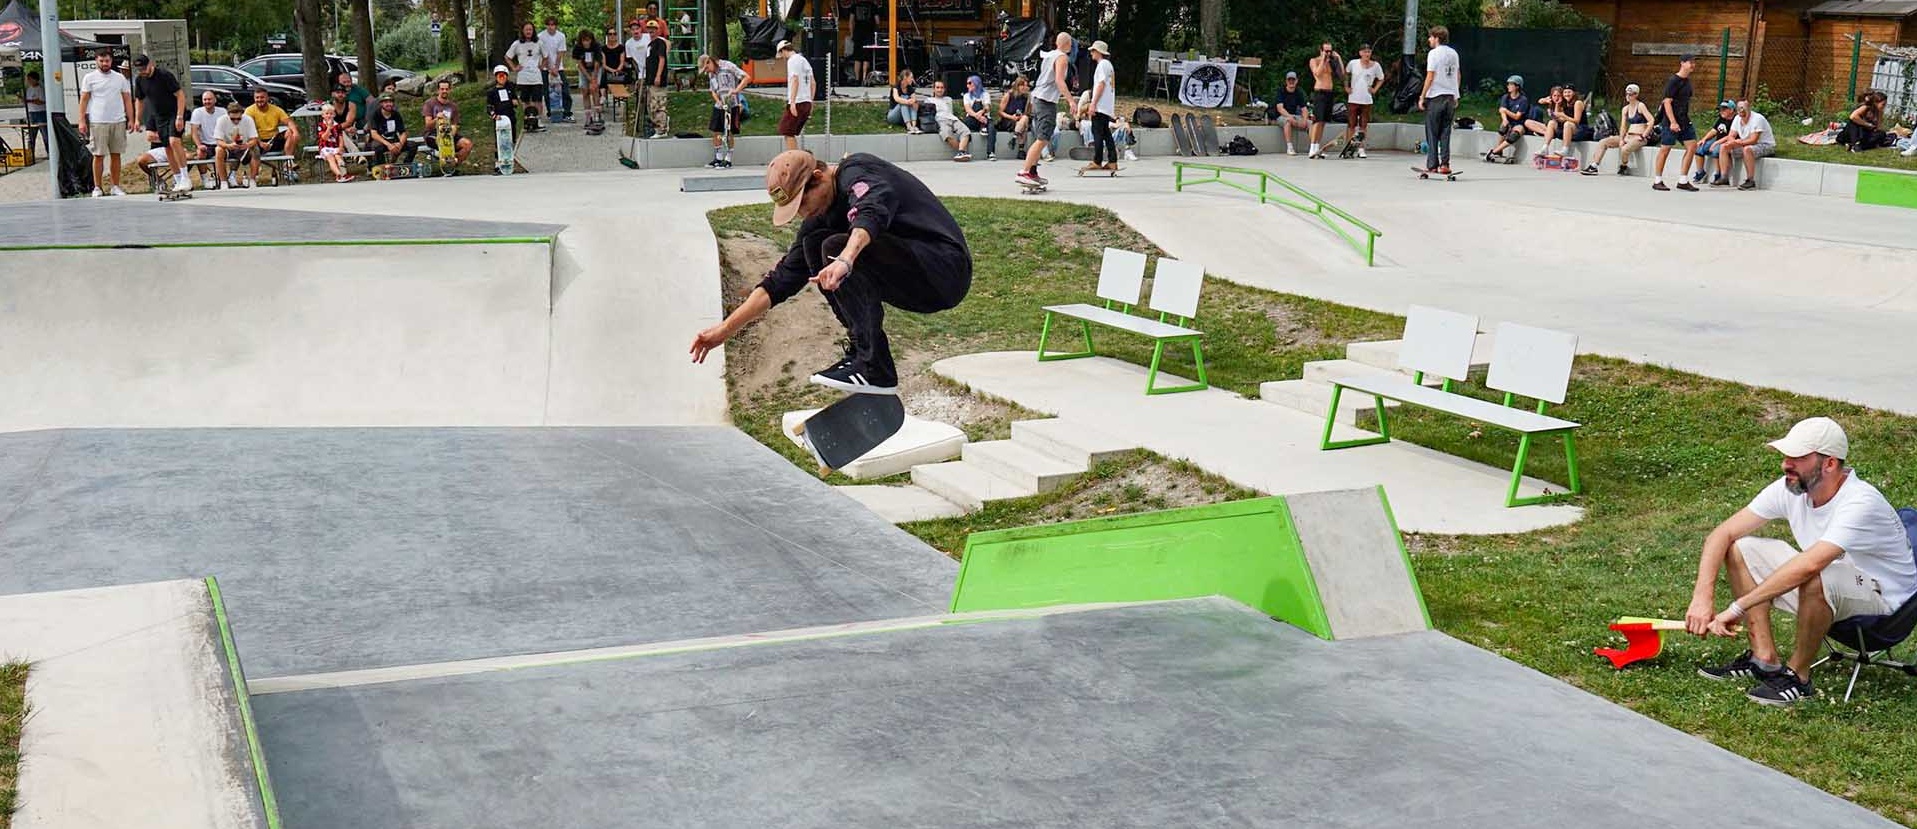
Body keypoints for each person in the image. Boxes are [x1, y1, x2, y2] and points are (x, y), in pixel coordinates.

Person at [689, 150, 973, 395]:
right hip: (917, 283)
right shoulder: (819, 217)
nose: (802, 214)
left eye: (801, 204)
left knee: (833, 246)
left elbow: (871, 209)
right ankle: (864, 358)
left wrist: (846, 259)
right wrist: (724, 331)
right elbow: (780, 281)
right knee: (814, 244)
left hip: (945, 268)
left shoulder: (857, 172)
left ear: (819, 176)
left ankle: (874, 367)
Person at [1687, 417, 1916, 707]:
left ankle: (1799, 678)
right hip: (1837, 587)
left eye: (1798, 457)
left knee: (1818, 572)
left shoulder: (1860, 502)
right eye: (1786, 456)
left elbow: (1810, 565)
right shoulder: (1791, 488)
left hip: (1885, 609)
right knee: (1740, 549)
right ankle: (1764, 658)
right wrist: (1701, 598)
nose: (1786, 464)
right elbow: (1722, 533)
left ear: (1830, 463)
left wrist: (1737, 608)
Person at [1016, 32, 1072, 188]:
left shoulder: (1049, 55)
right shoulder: (1061, 57)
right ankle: (1024, 172)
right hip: (1046, 101)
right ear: (1068, 44)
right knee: (1043, 138)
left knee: (1041, 137)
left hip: (1038, 98)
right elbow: (1060, 81)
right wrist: (1071, 101)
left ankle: (1032, 172)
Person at [77, 50, 133, 197]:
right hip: (98, 121)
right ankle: (97, 187)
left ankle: (115, 186)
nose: (104, 63)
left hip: (118, 120)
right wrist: (82, 120)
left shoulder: (119, 78)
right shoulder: (90, 78)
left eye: (107, 61)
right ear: (96, 61)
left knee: (116, 154)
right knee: (98, 155)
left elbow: (127, 98)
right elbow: (84, 99)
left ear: (111, 61)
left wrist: (131, 119)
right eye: (101, 61)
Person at [132, 55, 189, 194]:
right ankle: (177, 178)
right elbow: (139, 100)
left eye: (144, 68)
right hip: (159, 116)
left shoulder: (164, 75)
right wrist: (137, 120)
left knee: (174, 141)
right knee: (167, 147)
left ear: (151, 64)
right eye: (139, 69)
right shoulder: (140, 80)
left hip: (174, 112)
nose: (143, 71)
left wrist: (180, 117)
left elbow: (180, 95)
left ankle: (185, 177)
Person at [1583, 83, 1653, 175]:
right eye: (1627, 94)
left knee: (1624, 149)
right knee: (1603, 142)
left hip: (1639, 137)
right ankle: (1594, 166)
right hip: (1628, 136)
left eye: (1631, 94)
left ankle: (1624, 166)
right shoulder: (1625, 109)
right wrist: (1621, 139)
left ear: (1636, 94)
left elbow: (1651, 120)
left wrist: (1644, 135)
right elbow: (1623, 126)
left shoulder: (1640, 106)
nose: (1628, 96)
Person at [1651, 53, 1698, 192]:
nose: (1693, 65)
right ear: (1682, 63)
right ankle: (1657, 180)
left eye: (1694, 62)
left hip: (1684, 120)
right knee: (1665, 149)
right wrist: (1672, 122)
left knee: (1692, 146)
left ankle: (1683, 180)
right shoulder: (1673, 80)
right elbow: (1667, 102)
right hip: (1671, 121)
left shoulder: (1688, 82)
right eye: (1690, 62)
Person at [1417, 26, 1460, 174]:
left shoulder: (1433, 54)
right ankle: (1445, 164)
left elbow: (1430, 76)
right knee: (1445, 131)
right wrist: (1456, 93)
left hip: (1435, 96)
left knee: (1432, 131)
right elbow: (1457, 75)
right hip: (1450, 96)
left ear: (1436, 38)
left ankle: (1432, 164)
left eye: (1430, 37)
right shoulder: (1454, 53)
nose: (1429, 40)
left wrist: (1422, 96)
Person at [698, 54, 748, 168]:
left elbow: (746, 77)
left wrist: (736, 90)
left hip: (732, 103)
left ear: (710, 61)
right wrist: (718, 101)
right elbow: (713, 91)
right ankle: (718, 157)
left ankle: (728, 158)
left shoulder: (728, 66)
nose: (707, 71)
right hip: (720, 105)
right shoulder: (711, 74)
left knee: (729, 131)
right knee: (716, 130)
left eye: (706, 68)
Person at [1714, 100, 1774, 190]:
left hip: (1765, 145)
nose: (1741, 111)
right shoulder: (1737, 118)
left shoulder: (1757, 119)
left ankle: (1750, 180)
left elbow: (1753, 140)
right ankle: (1724, 177)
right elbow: (1731, 135)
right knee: (1724, 147)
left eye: (1743, 108)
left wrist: (1738, 142)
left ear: (1749, 108)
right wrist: (1732, 142)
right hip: (1745, 143)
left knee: (1747, 149)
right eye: (1739, 109)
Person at [421, 79, 474, 171]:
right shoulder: (430, 103)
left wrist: (451, 134)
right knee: (442, 141)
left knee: (467, 144)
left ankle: (453, 164)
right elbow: (428, 125)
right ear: (438, 90)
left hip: (448, 132)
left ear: (450, 90)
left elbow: (455, 125)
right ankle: (447, 161)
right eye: (442, 89)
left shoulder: (453, 106)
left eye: (446, 89)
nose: (444, 91)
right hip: (433, 133)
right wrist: (437, 119)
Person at [1344, 43, 1383, 158]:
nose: (1367, 54)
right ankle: (1349, 146)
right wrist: (1346, 87)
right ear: (1360, 53)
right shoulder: (1353, 63)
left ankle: (1361, 147)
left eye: (1369, 52)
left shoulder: (1375, 66)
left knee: (1363, 125)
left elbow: (1381, 78)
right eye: (1364, 52)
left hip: (1366, 99)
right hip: (1353, 98)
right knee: (1351, 124)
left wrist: (1375, 89)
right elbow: (1346, 74)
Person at [1084, 40, 1118, 171]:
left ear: (1098, 52)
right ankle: (1112, 160)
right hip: (1106, 105)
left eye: (1093, 50)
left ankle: (1097, 160)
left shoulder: (1102, 65)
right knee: (1106, 133)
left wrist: (1093, 103)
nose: (1091, 53)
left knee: (1097, 132)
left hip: (1100, 105)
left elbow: (1101, 84)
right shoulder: (1108, 65)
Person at [244, 86, 299, 168]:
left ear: (267, 98)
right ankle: (254, 174)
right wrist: (260, 142)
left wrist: (295, 132)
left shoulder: (276, 110)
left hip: (273, 139)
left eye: (262, 97)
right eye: (257, 98)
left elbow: (289, 122)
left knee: (290, 132)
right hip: (257, 140)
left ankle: (288, 162)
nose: (259, 100)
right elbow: (248, 130)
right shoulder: (249, 111)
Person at [1306, 42, 1343, 158]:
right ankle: (1312, 147)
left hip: (1329, 93)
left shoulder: (1332, 62)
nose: (1328, 53)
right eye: (1326, 51)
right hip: (1319, 92)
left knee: (1323, 122)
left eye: (1330, 51)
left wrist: (1339, 58)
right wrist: (1323, 60)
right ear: (1321, 51)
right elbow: (1317, 73)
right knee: (1317, 121)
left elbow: (1342, 74)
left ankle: (1317, 147)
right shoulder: (1314, 60)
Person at [211, 101, 259, 189]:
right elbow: (218, 140)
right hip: (228, 146)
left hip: (243, 146)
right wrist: (228, 146)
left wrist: (247, 145)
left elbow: (254, 139)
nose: (236, 121)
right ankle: (224, 182)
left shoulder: (248, 119)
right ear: (228, 114)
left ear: (242, 114)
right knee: (218, 150)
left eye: (238, 119)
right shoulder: (221, 120)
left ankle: (253, 180)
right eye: (233, 119)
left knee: (255, 149)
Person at [509, 22, 547, 132]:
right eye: (526, 30)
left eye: (530, 29)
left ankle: (538, 120)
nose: (528, 32)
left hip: (536, 77)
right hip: (523, 77)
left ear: (533, 31)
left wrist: (542, 66)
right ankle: (527, 119)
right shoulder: (517, 44)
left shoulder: (539, 43)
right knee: (525, 100)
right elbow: (507, 57)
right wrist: (514, 68)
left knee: (538, 100)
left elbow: (546, 56)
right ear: (523, 31)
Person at [778, 39, 814, 151]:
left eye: (781, 53)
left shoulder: (792, 61)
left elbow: (795, 80)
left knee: (787, 131)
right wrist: (811, 101)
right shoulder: (804, 60)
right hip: (806, 101)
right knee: (791, 131)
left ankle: (795, 159)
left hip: (797, 101)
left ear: (784, 50)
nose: (782, 57)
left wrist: (792, 102)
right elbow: (813, 82)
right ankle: (796, 157)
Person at [1485, 76, 1530, 162]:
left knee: (1514, 134)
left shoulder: (1523, 100)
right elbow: (1502, 111)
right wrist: (1505, 120)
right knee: (1503, 127)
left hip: (1520, 123)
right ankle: (1499, 152)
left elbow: (1517, 116)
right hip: (1509, 122)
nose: (1508, 86)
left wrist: (1506, 111)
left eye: (1511, 84)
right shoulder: (1506, 97)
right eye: (1508, 84)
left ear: (1517, 86)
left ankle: (1495, 151)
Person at [1691, 99, 1736, 184]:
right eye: (1721, 109)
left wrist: (1716, 143)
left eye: (1724, 109)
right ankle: (1700, 173)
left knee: (1716, 151)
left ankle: (1718, 174)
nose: (1721, 111)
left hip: (1727, 141)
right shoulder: (1722, 118)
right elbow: (1714, 131)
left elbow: (1730, 136)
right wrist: (1704, 139)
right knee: (1699, 149)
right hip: (1717, 140)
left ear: (1731, 110)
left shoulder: (1735, 120)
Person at [1541, 83, 1591, 159]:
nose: (1567, 94)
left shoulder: (1578, 103)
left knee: (1567, 124)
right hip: (1568, 129)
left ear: (1574, 93)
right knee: (1552, 122)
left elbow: (1576, 121)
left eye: (1569, 92)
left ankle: (1565, 149)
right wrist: (1557, 104)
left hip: (1581, 129)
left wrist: (1564, 116)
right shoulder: (1564, 103)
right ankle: (1545, 147)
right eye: (1565, 92)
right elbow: (1557, 117)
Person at [640, 19, 672, 138]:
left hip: (657, 79)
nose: (651, 31)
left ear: (658, 30)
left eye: (654, 29)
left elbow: (662, 59)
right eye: (649, 29)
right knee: (651, 105)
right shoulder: (650, 44)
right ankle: (659, 124)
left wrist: (658, 75)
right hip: (649, 79)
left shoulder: (660, 43)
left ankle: (661, 129)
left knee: (658, 103)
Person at [926, 80, 971, 161]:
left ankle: (961, 152)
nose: (940, 90)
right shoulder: (929, 100)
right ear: (933, 89)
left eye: (942, 88)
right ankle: (962, 152)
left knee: (966, 131)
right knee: (946, 134)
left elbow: (950, 112)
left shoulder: (948, 99)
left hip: (953, 119)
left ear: (944, 89)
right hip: (941, 120)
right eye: (937, 88)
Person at [366, 94, 415, 168]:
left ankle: (406, 165)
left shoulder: (396, 114)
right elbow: (374, 134)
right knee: (378, 147)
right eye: (386, 102)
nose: (389, 104)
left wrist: (400, 144)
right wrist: (388, 145)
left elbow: (403, 132)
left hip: (393, 140)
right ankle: (382, 168)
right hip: (381, 142)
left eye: (391, 102)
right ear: (381, 103)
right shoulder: (376, 114)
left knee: (413, 145)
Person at [538, 17, 572, 123]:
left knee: (564, 89)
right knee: (547, 91)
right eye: (548, 24)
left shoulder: (561, 36)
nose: (551, 27)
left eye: (553, 25)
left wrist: (556, 68)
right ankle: (550, 112)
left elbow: (560, 52)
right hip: (545, 67)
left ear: (556, 26)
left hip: (558, 68)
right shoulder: (540, 36)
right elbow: (544, 54)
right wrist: (549, 68)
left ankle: (567, 113)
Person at [187, 90, 224, 185]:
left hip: (220, 142)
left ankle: (227, 177)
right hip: (205, 144)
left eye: (209, 99)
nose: (207, 101)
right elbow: (194, 132)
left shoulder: (222, 111)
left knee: (231, 150)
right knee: (200, 153)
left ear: (215, 100)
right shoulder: (197, 112)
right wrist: (199, 145)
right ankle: (205, 179)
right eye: (205, 99)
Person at [1269, 71, 1309, 155]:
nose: (1291, 82)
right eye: (1289, 80)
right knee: (1287, 122)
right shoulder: (1281, 91)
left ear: (1296, 81)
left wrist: (1305, 120)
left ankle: (1313, 147)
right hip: (1281, 116)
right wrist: (1290, 117)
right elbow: (1280, 108)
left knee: (1311, 123)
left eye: (1293, 80)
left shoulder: (1299, 92)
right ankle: (1289, 147)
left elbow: (1304, 108)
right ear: (1286, 81)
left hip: (1294, 115)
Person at [961, 75, 998, 160]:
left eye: (970, 83)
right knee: (963, 124)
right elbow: (968, 109)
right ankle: (964, 151)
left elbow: (987, 107)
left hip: (984, 117)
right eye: (967, 83)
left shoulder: (985, 94)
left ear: (976, 83)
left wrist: (981, 112)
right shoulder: (966, 96)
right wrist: (978, 117)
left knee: (992, 127)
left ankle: (990, 152)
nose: (968, 85)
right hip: (972, 119)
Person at [315, 102, 353, 182]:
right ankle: (338, 175)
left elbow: (340, 137)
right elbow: (324, 138)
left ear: (334, 115)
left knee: (338, 156)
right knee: (330, 158)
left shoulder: (337, 125)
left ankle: (343, 173)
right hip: (325, 146)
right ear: (323, 115)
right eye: (327, 113)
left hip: (334, 146)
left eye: (331, 114)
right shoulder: (321, 125)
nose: (329, 115)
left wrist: (341, 147)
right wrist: (329, 127)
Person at [574, 29, 605, 122]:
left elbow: (597, 63)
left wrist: (593, 79)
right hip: (584, 69)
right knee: (585, 91)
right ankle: (588, 116)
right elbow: (579, 64)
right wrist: (588, 77)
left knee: (594, 89)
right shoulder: (577, 48)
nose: (586, 43)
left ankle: (597, 114)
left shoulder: (596, 46)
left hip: (595, 69)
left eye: (588, 40)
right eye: (584, 40)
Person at [995, 75, 1030, 157]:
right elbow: (1000, 112)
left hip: (1019, 121)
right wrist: (1012, 117)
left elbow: (1026, 113)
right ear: (1017, 86)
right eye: (1023, 85)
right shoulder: (1008, 95)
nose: (1025, 87)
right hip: (1007, 120)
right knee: (1024, 122)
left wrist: (1021, 116)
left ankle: (1015, 137)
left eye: (1026, 85)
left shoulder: (1025, 97)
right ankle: (1021, 149)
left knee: (1024, 119)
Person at [488, 65, 519, 141]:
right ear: (496, 77)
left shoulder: (510, 88)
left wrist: (515, 101)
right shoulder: (492, 92)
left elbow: (515, 99)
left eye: (504, 76)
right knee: (500, 138)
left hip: (510, 116)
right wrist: (494, 116)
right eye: (500, 76)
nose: (502, 78)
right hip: (499, 118)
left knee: (512, 136)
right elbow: (489, 107)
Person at [850, 0, 878, 83]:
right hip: (869, 34)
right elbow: (877, 21)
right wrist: (875, 31)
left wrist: (852, 34)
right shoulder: (873, 6)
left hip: (858, 34)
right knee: (866, 57)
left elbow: (851, 21)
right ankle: (864, 78)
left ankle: (857, 79)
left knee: (857, 57)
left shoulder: (854, 6)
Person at [886, 68, 921, 133]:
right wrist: (908, 101)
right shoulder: (896, 87)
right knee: (904, 102)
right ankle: (908, 126)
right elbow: (897, 98)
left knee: (912, 103)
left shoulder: (910, 88)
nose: (912, 79)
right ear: (905, 77)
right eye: (911, 77)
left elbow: (914, 100)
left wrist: (913, 102)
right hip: (893, 115)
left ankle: (914, 126)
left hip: (903, 117)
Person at [22, 70, 47, 154]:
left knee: (45, 135)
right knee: (31, 135)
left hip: (40, 112)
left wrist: (30, 101)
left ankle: (49, 152)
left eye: (30, 79)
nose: (28, 81)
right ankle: (30, 153)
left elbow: (42, 101)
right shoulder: (28, 89)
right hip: (31, 113)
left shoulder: (40, 89)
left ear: (35, 79)